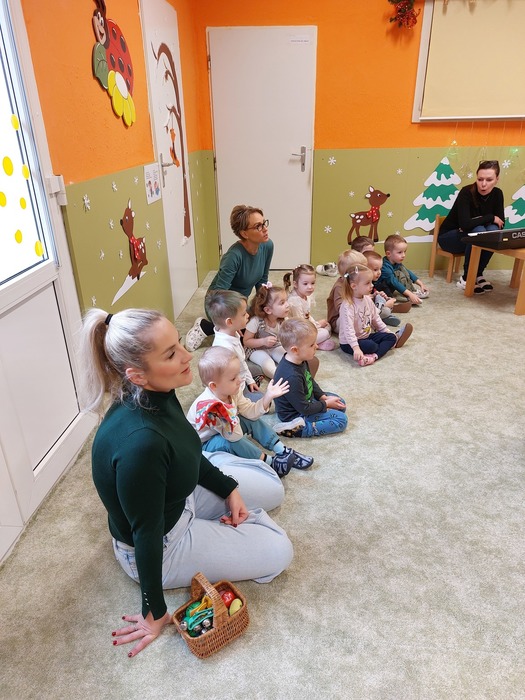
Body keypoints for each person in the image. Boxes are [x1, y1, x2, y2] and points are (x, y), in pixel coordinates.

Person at [78, 308, 293, 658]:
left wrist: (228, 489)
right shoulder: (141, 444)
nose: (187, 355)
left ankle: (230, 503)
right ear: (136, 374)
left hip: (178, 494)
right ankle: (236, 526)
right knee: (280, 551)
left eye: (179, 343)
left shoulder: (157, 392)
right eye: (170, 354)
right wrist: (153, 611)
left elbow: (187, 450)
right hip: (163, 544)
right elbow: (146, 533)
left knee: (273, 489)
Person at [186, 347, 314, 476]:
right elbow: (234, 437)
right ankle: (270, 463)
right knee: (231, 442)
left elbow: (250, 412)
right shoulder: (211, 408)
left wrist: (268, 396)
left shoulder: (231, 392)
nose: (240, 380)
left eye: (238, 374)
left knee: (249, 419)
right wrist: (231, 412)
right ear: (214, 386)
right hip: (204, 446)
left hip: (224, 431)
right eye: (233, 378)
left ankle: (282, 450)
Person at [185, 205, 274, 351]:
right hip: (219, 303)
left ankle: (234, 323)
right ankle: (204, 326)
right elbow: (218, 294)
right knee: (242, 339)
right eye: (258, 226)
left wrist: (264, 307)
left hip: (241, 303)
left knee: (258, 328)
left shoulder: (268, 245)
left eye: (264, 223)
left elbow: (262, 280)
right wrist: (235, 322)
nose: (265, 229)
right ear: (244, 233)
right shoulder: (233, 256)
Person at [272, 318, 348, 438]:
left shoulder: (299, 359)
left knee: (340, 402)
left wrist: (322, 396)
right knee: (341, 419)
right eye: (312, 345)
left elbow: (309, 380)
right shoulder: (291, 376)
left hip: (306, 401)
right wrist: (325, 404)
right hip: (295, 414)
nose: (316, 346)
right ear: (295, 350)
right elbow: (304, 409)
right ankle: (300, 430)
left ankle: (321, 407)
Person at [438, 160, 505, 294]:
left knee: (493, 231)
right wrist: (490, 217)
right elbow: (465, 224)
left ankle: (478, 273)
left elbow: (501, 224)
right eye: (480, 179)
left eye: (489, 180)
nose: (483, 184)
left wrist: (477, 222)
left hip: (472, 235)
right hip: (449, 237)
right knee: (479, 231)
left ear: (497, 179)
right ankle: (467, 277)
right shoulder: (466, 192)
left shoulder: (497, 194)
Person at [339, 264, 413, 366]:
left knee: (391, 338)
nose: (372, 285)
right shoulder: (347, 306)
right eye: (367, 283)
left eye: (371, 282)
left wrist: (387, 332)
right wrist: (356, 348)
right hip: (349, 343)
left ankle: (374, 356)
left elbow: (376, 318)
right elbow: (348, 330)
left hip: (366, 336)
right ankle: (379, 349)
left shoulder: (367, 299)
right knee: (371, 346)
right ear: (354, 286)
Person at [206, 289, 263, 400]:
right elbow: (229, 380)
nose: (248, 315)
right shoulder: (225, 349)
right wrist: (246, 386)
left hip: (239, 370)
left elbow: (242, 362)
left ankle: (250, 387)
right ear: (230, 322)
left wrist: (250, 380)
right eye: (244, 314)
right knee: (263, 401)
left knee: (257, 370)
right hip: (234, 387)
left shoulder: (230, 330)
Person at [284, 264, 336, 351]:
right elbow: (300, 325)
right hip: (295, 333)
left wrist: (315, 323)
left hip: (304, 327)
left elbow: (307, 315)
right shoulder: (294, 302)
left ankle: (313, 344)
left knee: (327, 326)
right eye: (305, 284)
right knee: (325, 332)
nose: (310, 287)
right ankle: (311, 344)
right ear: (295, 284)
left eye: (312, 283)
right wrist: (318, 325)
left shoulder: (305, 295)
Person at [243, 283, 288, 379]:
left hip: (275, 346)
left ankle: (294, 375)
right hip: (256, 349)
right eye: (282, 303)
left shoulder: (282, 320)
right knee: (267, 363)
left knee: (287, 358)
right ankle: (280, 379)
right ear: (268, 310)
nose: (287, 305)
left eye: (286, 301)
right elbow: (246, 341)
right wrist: (263, 341)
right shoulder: (255, 321)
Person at [363, 249, 412, 327]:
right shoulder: (361, 286)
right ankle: (384, 315)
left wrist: (383, 296)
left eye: (380, 269)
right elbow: (363, 304)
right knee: (386, 311)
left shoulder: (373, 283)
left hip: (374, 309)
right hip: (366, 314)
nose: (379, 272)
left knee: (383, 302)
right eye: (375, 270)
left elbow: (377, 292)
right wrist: (384, 304)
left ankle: (384, 314)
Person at [377, 234, 430, 305]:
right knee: (399, 274)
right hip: (381, 289)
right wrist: (409, 294)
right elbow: (394, 282)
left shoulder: (396, 262)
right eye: (400, 252)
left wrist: (421, 284)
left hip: (390, 286)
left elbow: (408, 272)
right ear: (388, 254)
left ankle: (412, 291)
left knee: (403, 269)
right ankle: (410, 294)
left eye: (404, 251)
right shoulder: (385, 267)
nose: (403, 255)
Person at [326, 249, 367, 334]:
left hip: (355, 314)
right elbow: (342, 309)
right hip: (338, 321)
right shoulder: (339, 287)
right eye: (362, 269)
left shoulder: (357, 283)